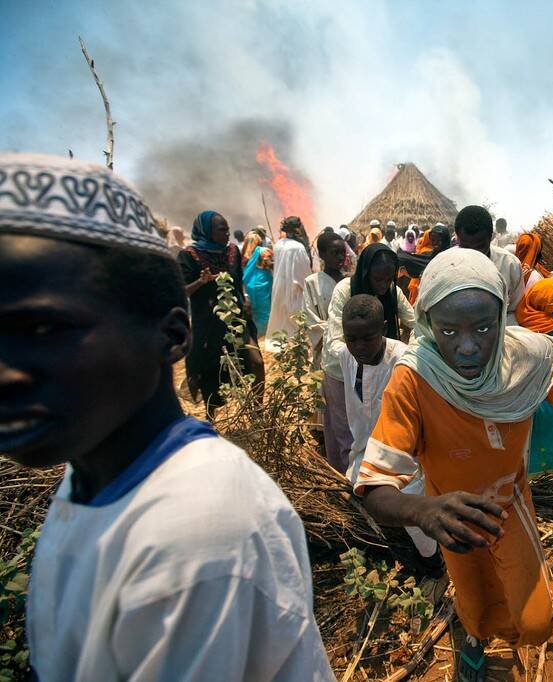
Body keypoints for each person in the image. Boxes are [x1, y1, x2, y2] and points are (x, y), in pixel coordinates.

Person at [0, 152, 333, 680]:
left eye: (43, 330)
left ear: (169, 336)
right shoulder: (87, 476)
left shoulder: (198, 534)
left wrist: (246, 333)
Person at [355, 248, 553, 681]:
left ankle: (495, 631)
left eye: (484, 328)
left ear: (501, 317)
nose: (468, 347)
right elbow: (373, 487)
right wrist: (425, 511)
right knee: (474, 600)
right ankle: (473, 636)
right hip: (448, 512)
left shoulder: (522, 355)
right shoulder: (414, 379)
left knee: (535, 623)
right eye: (449, 331)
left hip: (509, 501)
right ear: (429, 325)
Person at [325, 294, 440, 566]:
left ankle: (435, 566)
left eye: (368, 338)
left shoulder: (403, 361)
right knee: (360, 489)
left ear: (384, 328)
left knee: (412, 505)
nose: (359, 347)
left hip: (406, 454)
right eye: (352, 339)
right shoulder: (345, 356)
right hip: (366, 449)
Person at [322, 244, 416, 469]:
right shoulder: (346, 290)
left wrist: (405, 352)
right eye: (378, 279)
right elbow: (335, 339)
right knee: (347, 429)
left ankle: (373, 477)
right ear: (365, 273)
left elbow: (416, 323)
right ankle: (348, 485)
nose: (383, 285)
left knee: (376, 427)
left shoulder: (394, 292)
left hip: (380, 367)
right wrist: (361, 353)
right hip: (341, 370)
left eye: (388, 279)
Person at [178, 210, 264, 418]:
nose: (227, 233)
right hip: (208, 324)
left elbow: (238, 280)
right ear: (207, 231)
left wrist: (246, 298)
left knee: (256, 362)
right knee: (210, 372)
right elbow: (181, 290)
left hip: (237, 319)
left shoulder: (232, 251)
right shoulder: (188, 255)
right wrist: (201, 281)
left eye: (227, 228)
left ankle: (258, 412)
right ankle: (211, 418)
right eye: (222, 229)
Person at [455, 206, 525, 328]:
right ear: (457, 239)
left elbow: (516, 310)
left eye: (480, 247)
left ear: (491, 237)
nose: (474, 255)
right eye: (466, 248)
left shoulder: (509, 264)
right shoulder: (445, 265)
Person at [266, 216, 314, 346]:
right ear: (297, 229)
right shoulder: (297, 247)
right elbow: (304, 272)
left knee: (281, 315)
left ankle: (282, 342)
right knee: (294, 317)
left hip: (279, 285)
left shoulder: (278, 244)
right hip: (294, 287)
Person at [303, 231, 346, 370]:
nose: (340, 257)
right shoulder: (312, 283)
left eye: (343, 252)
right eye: (335, 253)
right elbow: (311, 320)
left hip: (350, 349)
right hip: (325, 351)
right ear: (322, 254)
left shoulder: (349, 282)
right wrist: (340, 330)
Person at [406, 224, 453, 305]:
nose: (435, 243)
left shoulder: (452, 256)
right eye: (433, 240)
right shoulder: (429, 256)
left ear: (445, 240)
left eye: (439, 240)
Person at [242, 230, 274, 337]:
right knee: (265, 312)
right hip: (262, 282)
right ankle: (263, 335)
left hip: (249, 284)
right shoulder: (263, 251)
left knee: (255, 312)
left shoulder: (242, 254)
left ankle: (255, 334)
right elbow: (270, 263)